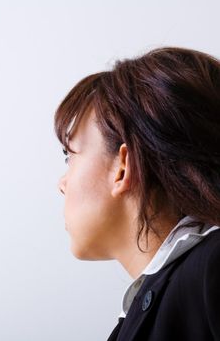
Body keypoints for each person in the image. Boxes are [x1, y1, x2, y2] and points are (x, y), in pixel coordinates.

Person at [54, 47, 220, 340]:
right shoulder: (141, 311)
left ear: (122, 166)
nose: (62, 183)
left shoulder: (212, 267)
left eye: (70, 156)